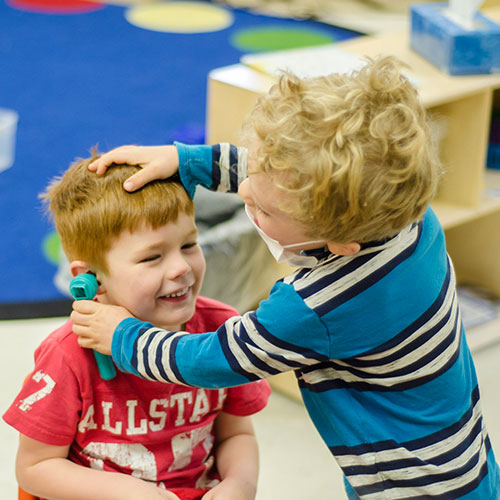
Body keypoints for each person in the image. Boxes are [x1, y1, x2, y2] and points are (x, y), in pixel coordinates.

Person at [71, 56, 500, 499]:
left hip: (409, 485)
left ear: (339, 243)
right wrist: (187, 161)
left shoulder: (317, 308)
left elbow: (212, 359)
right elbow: (287, 176)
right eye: (253, 175)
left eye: (263, 210)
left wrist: (121, 335)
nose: (244, 193)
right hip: (463, 457)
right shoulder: (404, 211)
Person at [3, 152, 271, 500]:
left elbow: (236, 435)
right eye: (151, 257)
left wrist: (239, 484)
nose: (180, 268)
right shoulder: (69, 355)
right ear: (91, 281)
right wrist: (128, 493)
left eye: (189, 244)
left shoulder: (222, 330)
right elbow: (35, 467)